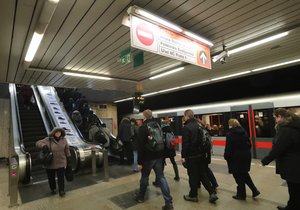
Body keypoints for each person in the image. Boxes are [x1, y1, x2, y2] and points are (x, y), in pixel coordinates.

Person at [261, 108, 300, 210]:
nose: (275, 120)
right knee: (295, 188)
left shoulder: (286, 129)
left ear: (280, 116)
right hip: (296, 162)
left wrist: (266, 160)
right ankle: (292, 205)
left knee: (293, 189)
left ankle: (292, 207)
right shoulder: (295, 125)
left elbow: (279, 147)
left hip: (292, 164)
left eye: (275, 117)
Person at [134, 109, 173, 210]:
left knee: (144, 176)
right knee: (161, 177)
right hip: (159, 155)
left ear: (144, 117)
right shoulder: (158, 125)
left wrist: (139, 162)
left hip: (148, 157)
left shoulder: (142, 128)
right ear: (151, 116)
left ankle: (141, 197)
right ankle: (168, 202)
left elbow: (140, 146)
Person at [181, 109, 218, 203]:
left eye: (184, 116)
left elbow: (185, 144)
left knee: (192, 176)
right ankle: (212, 193)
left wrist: (183, 156)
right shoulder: (199, 125)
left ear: (187, 116)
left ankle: (193, 195)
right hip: (201, 155)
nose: (184, 118)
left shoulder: (186, 127)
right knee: (203, 175)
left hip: (192, 156)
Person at [224, 119, 260, 200]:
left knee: (238, 176)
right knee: (244, 174)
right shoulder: (244, 132)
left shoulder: (230, 134)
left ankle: (241, 195)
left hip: (235, 158)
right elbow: (249, 145)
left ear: (231, 125)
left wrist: (226, 156)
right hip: (246, 156)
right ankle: (254, 190)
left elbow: (228, 148)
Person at [36, 127, 71, 197]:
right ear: (53, 133)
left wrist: (68, 157)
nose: (58, 133)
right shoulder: (48, 139)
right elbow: (37, 143)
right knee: (51, 178)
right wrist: (43, 146)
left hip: (61, 162)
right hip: (50, 163)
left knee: (61, 178)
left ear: (61, 133)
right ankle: (53, 188)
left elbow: (67, 149)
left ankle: (61, 190)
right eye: (56, 132)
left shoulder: (64, 140)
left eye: (59, 132)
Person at [153, 117, 179, 186]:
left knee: (161, 164)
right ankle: (177, 176)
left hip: (163, 150)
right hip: (171, 149)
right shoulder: (171, 130)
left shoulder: (161, 130)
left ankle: (159, 180)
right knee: (173, 162)